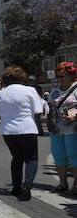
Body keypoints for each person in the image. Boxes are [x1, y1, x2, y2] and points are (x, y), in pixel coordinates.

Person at [0, 66, 46, 201]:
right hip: (27, 128)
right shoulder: (29, 90)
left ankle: (16, 186)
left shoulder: (1, 93)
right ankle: (27, 185)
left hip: (8, 130)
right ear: (22, 77)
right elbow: (37, 110)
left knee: (16, 158)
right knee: (31, 159)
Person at [47, 62, 77, 194]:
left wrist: (75, 116)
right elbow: (50, 103)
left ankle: (76, 185)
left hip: (73, 128)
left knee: (73, 155)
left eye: (62, 76)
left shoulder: (76, 88)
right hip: (56, 128)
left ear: (71, 76)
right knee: (58, 155)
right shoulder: (55, 88)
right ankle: (62, 183)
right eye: (57, 76)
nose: (59, 79)